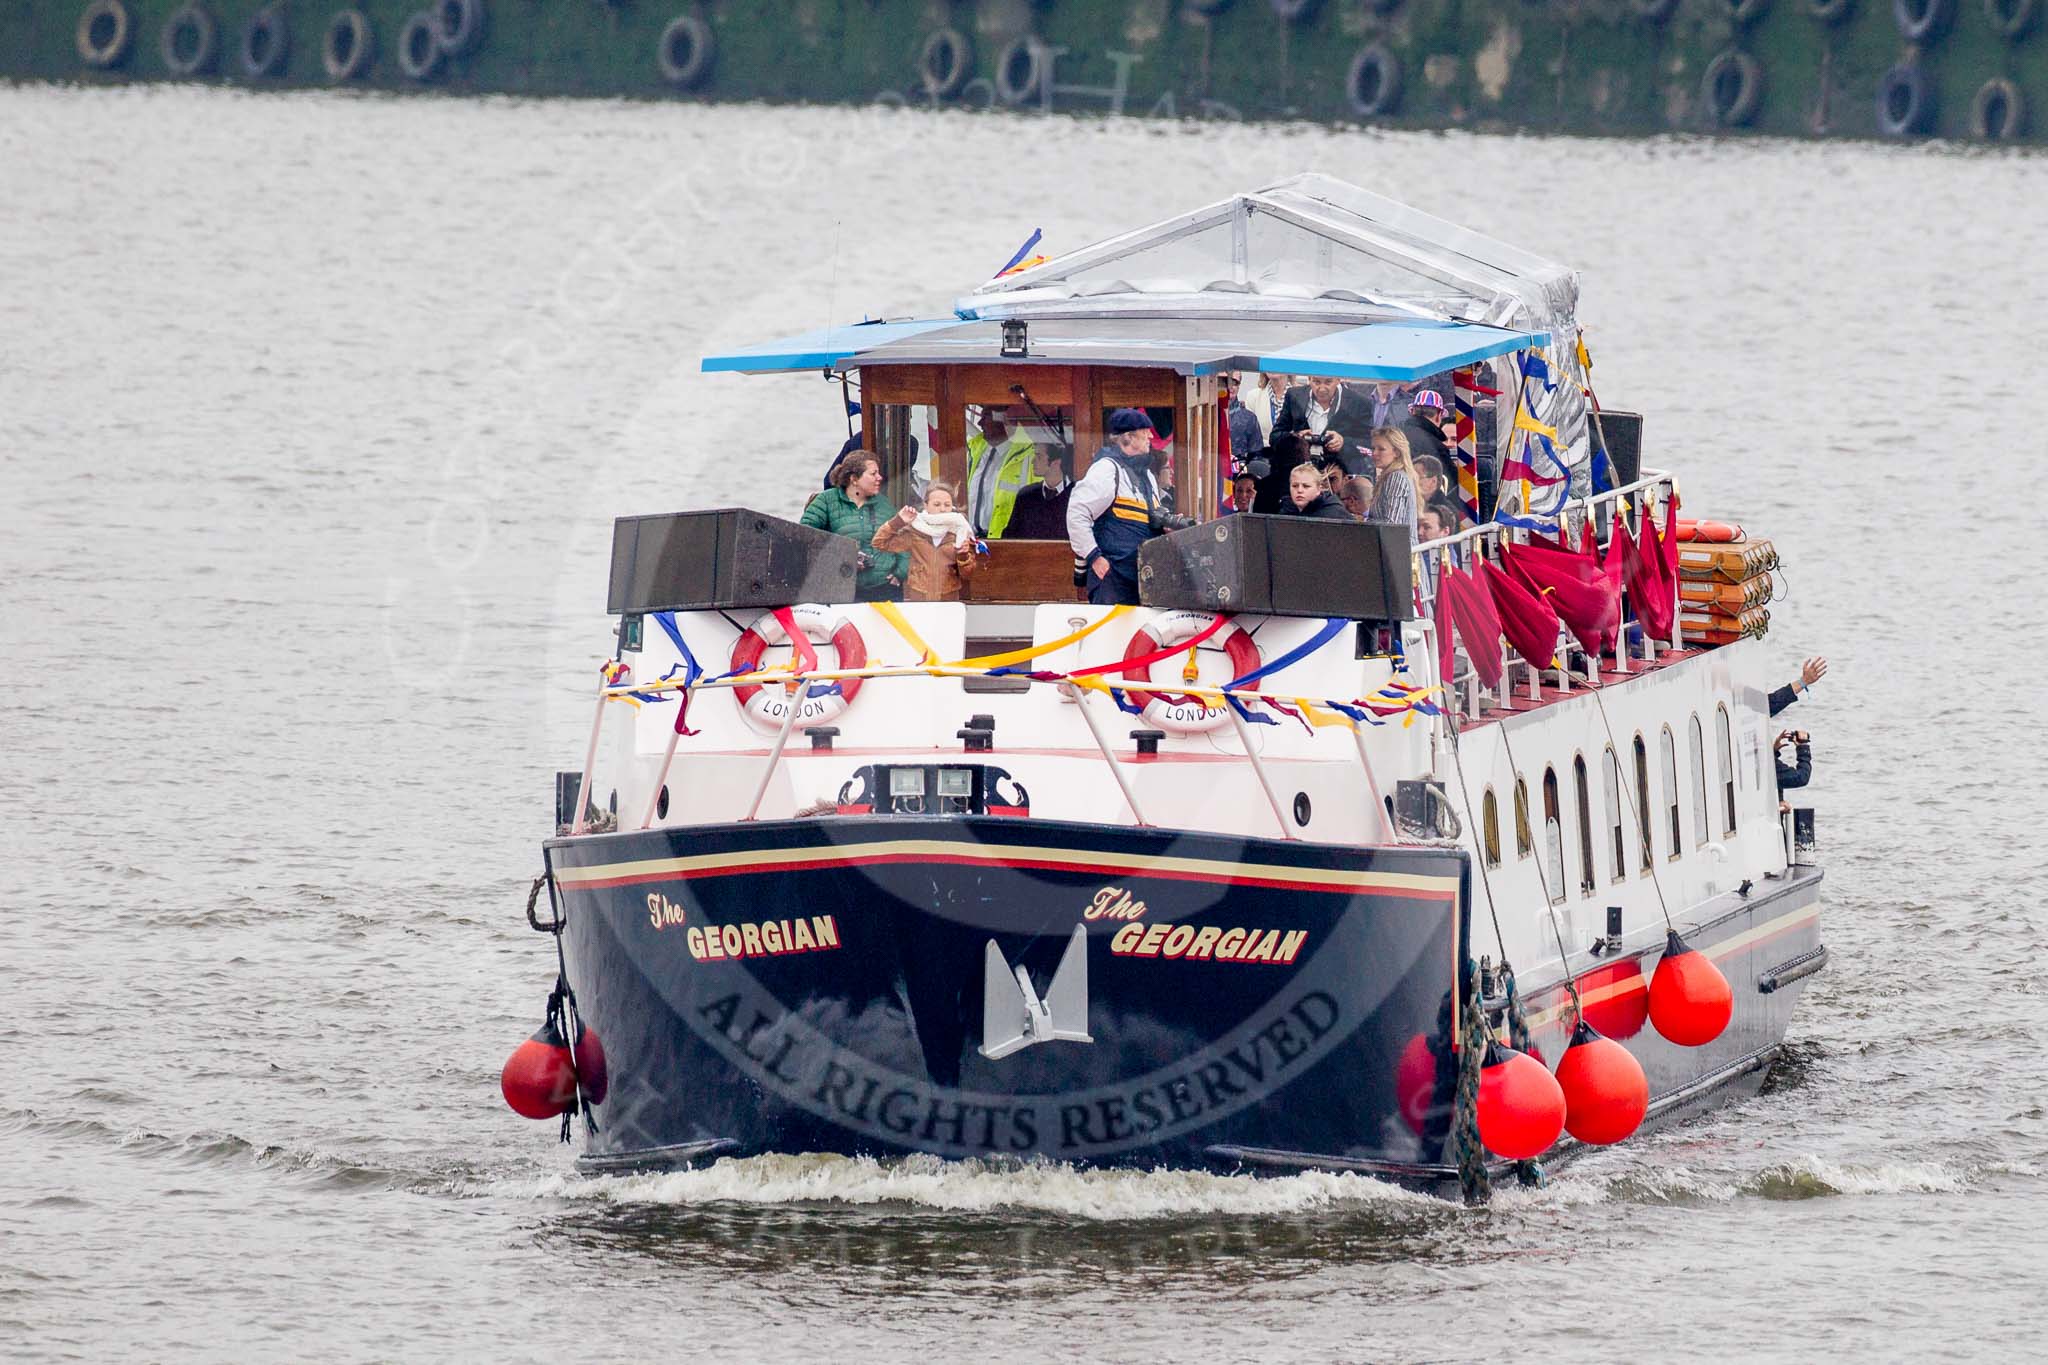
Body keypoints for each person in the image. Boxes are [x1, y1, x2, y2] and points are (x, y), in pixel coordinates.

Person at [1068, 408, 1166, 606]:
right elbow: (1077, 514)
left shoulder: (1147, 475)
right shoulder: (1106, 469)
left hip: (1142, 580)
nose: (1150, 435)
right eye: (1145, 431)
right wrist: (1095, 558)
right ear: (1128, 438)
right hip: (1112, 581)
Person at [800, 452, 906, 600]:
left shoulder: (884, 505)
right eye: (873, 473)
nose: (879, 478)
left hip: (886, 590)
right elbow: (805, 537)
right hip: (842, 590)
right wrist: (842, 558)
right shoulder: (826, 501)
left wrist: (900, 573)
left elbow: (903, 541)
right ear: (854, 479)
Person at [872, 482, 978, 602]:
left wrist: (963, 556)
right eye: (937, 504)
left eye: (947, 505)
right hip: (919, 598)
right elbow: (879, 542)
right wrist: (898, 521)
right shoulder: (915, 530)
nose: (942, 509)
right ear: (926, 505)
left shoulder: (960, 531)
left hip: (948, 600)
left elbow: (968, 575)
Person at [964, 405, 1037, 538]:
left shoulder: (1031, 456)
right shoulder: (974, 450)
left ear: (1003, 420)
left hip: (1008, 543)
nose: (980, 423)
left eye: (985, 417)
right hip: (971, 541)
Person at [1001, 447, 1073, 540]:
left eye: (1039, 456)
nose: (1033, 461)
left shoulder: (1077, 495)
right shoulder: (1026, 495)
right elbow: (1009, 536)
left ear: (1056, 463)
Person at [1365, 426, 1419, 537]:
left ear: (1397, 453)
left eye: (1381, 449)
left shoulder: (1396, 477)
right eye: (1373, 448)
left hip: (1400, 552)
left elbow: (1392, 525)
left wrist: (1364, 523)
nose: (1374, 453)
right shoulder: (1390, 475)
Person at [1412, 454, 1466, 533]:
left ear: (1433, 482)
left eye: (1416, 477)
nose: (1410, 481)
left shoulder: (1448, 514)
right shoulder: (1410, 505)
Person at [1221, 371, 1266, 468]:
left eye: (1234, 382)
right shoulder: (1202, 414)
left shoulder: (1249, 418)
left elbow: (1256, 457)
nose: (1230, 386)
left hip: (1239, 474)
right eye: (1224, 381)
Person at [1282, 460, 1352, 521]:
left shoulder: (1334, 514)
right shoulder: (1285, 512)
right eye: (1295, 486)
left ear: (1319, 489)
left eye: (1306, 486)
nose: (1299, 490)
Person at [1402, 390, 1451, 467]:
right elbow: (1450, 476)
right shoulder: (1438, 447)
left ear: (1412, 412)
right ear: (1439, 415)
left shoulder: (1397, 437)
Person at [1774, 728, 1812, 793]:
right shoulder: (1767, 767)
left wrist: (1773, 752)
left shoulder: (1760, 763)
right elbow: (1802, 778)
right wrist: (1803, 746)